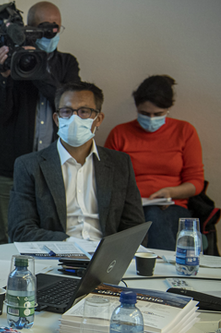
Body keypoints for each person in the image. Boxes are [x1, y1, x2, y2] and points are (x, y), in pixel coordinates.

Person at [0, 1, 80, 245]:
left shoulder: (67, 64)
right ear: (28, 27)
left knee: (51, 236)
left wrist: (36, 67)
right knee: (7, 236)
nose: (50, 33)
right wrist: (4, 75)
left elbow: (67, 104)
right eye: (43, 27)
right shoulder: (11, 60)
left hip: (53, 169)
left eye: (56, 27)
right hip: (9, 168)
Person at [8, 81, 145, 242]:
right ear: (57, 119)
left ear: (98, 119)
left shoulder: (120, 163)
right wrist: (71, 244)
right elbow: (21, 230)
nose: (74, 118)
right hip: (55, 256)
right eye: (66, 111)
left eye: (84, 111)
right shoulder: (29, 166)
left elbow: (135, 227)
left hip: (105, 258)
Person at [105, 75, 204, 250]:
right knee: (141, 218)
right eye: (144, 113)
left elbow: (196, 182)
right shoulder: (120, 133)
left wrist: (170, 192)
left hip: (172, 207)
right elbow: (107, 178)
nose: (151, 119)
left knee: (155, 217)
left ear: (168, 108)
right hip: (130, 206)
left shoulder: (184, 131)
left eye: (158, 114)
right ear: (136, 108)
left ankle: (158, 267)